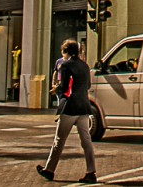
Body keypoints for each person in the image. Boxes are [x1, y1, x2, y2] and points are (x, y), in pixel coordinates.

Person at [38, 39, 96, 184]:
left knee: (59, 140)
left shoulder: (65, 66)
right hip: (83, 106)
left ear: (66, 52)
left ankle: (49, 170)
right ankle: (91, 171)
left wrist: (56, 89)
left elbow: (64, 88)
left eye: (63, 52)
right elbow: (88, 85)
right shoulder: (84, 65)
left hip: (69, 107)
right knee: (86, 140)